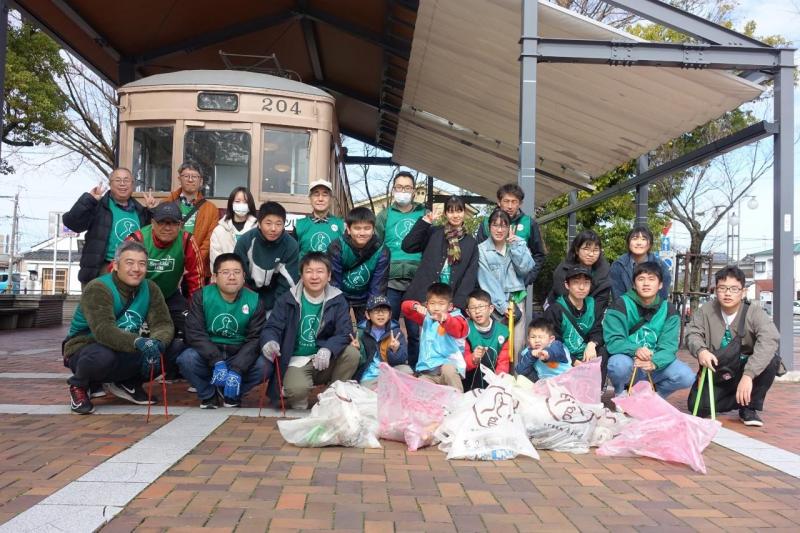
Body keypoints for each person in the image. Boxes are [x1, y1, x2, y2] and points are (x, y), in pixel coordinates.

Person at [63, 241, 173, 414]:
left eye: (142, 263)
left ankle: (128, 382)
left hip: (126, 347)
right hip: (86, 347)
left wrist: (157, 343)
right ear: (115, 265)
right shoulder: (98, 288)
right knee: (102, 355)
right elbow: (103, 330)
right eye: (129, 263)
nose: (136, 268)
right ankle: (80, 386)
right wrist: (139, 342)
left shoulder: (151, 288)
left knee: (172, 349)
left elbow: (163, 323)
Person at [260, 252, 360, 410]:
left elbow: (345, 331)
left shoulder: (338, 299)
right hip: (297, 360)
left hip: (325, 359)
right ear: (301, 275)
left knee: (352, 354)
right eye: (309, 271)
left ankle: (332, 397)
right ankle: (297, 395)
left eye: (320, 271)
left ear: (329, 276)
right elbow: (272, 327)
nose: (314, 276)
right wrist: (270, 341)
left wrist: (328, 348)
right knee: (297, 393)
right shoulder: (287, 299)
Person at [685, 266, 781, 426]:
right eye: (722, 288)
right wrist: (701, 351)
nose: (727, 293)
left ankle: (749, 408)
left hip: (745, 368)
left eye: (734, 289)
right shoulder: (706, 310)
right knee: (697, 407)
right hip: (717, 370)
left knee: (772, 361)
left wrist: (749, 375)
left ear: (743, 292)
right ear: (716, 290)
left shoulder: (754, 312)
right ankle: (739, 397)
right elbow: (692, 334)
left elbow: (769, 339)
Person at [177, 253, 266, 408]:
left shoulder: (254, 300)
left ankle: (231, 394)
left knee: (264, 365)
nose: (232, 277)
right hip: (209, 355)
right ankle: (209, 395)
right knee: (187, 359)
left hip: (238, 354)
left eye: (237, 272)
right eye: (225, 272)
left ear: (244, 277)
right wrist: (216, 360)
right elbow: (195, 333)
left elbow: (255, 339)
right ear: (214, 277)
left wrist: (237, 368)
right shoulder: (202, 296)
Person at [126, 202, 204, 374]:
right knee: (129, 329)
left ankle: (180, 369)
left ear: (180, 225)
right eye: (162, 222)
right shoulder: (137, 240)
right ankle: (127, 375)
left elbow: (195, 279)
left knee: (194, 325)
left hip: (169, 294)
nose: (167, 228)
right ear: (152, 223)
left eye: (173, 223)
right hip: (138, 295)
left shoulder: (187, 241)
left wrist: (196, 309)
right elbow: (119, 275)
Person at [604, 261, 694, 399]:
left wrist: (655, 362)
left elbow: (668, 346)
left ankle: (654, 396)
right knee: (618, 365)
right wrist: (636, 350)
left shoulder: (669, 310)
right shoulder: (621, 305)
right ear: (634, 284)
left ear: (660, 284)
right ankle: (620, 392)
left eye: (652, 279)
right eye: (641, 279)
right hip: (630, 362)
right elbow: (614, 340)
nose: (646, 284)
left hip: (654, 364)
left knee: (686, 376)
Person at [63, 167, 152, 287]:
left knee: (129, 305)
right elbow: (72, 224)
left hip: (132, 269)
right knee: (99, 304)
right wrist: (89, 200)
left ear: (133, 185)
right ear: (110, 184)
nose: (122, 184)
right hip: (101, 268)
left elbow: (153, 237)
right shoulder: (98, 206)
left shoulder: (141, 211)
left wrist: (152, 211)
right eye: (118, 180)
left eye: (126, 180)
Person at [401, 195, 478, 325]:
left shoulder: (471, 242)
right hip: (424, 297)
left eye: (459, 211)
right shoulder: (434, 232)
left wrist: (458, 305)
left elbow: (469, 276)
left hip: (449, 301)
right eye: (451, 211)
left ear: (464, 212)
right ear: (445, 213)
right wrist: (425, 221)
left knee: (445, 338)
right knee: (418, 337)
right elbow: (408, 246)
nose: (455, 215)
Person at [375, 171, 427, 362]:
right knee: (388, 327)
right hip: (390, 280)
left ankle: (414, 369)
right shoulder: (384, 216)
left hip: (416, 282)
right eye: (399, 187)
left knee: (415, 331)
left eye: (407, 188)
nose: (403, 191)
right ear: (393, 190)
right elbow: (376, 245)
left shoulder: (424, 214)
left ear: (413, 191)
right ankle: (387, 366)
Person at [477, 208, 534, 356]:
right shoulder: (481, 250)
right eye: (495, 225)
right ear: (489, 227)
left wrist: (515, 247)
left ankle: (515, 378)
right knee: (497, 348)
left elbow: (526, 269)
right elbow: (486, 281)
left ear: (509, 227)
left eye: (503, 225)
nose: (499, 229)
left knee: (516, 348)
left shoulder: (518, 243)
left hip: (517, 301)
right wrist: (504, 307)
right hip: (495, 305)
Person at [544, 265, 608, 384]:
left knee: (603, 352)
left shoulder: (594, 305)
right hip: (563, 356)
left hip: (586, 354)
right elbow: (552, 341)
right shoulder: (555, 310)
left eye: (586, 283)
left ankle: (596, 391)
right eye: (576, 282)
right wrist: (573, 361)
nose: (582, 287)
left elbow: (598, 329)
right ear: (567, 285)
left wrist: (592, 344)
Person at [401, 282, 468, 391]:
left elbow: (459, 329)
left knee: (448, 370)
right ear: (427, 305)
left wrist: (446, 319)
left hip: (447, 368)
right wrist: (416, 306)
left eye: (441, 304)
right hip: (428, 372)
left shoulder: (457, 317)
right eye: (432, 303)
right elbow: (405, 308)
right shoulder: (426, 317)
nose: (436, 308)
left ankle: (459, 402)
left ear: (450, 306)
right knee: (420, 389)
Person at [234, 201, 299, 312]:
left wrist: (275, 308)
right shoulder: (245, 241)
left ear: (284, 224)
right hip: (246, 298)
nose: (273, 229)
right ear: (259, 223)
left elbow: (288, 283)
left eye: (278, 224)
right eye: (268, 223)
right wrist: (250, 303)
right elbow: (238, 274)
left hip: (276, 301)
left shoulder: (291, 245)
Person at [476, 183, 546, 285]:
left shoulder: (529, 223)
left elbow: (539, 254)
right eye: (506, 201)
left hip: (517, 290)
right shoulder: (486, 223)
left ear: (520, 203)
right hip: (489, 287)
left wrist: (528, 278)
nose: (510, 206)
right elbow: (477, 254)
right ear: (499, 202)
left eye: (514, 202)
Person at [328, 207, 390, 320]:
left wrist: (373, 308)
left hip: (366, 297)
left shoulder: (382, 251)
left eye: (367, 228)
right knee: (339, 328)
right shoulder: (337, 247)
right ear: (348, 229)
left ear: (373, 229)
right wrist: (337, 307)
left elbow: (378, 285)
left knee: (367, 330)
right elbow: (334, 282)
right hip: (341, 294)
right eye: (357, 228)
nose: (362, 233)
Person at [164, 161, 220, 276]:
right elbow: (160, 234)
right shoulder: (166, 203)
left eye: (194, 176)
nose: (190, 179)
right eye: (186, 176)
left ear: (201, 181)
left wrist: (193, 262)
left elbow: (209, 241)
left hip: (197, 268)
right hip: (169, 262)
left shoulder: (211, 209)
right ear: (179, 179)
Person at [352, 294, 411, 389]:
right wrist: (357, 350)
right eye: (376, 311)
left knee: (407, 370)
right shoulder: (361, 332)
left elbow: (401, 360)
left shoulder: (396, 332)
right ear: (368, 315)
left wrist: (395, 350)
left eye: (384, 311)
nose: (381, 314)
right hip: (369, 375)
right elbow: (360, 363)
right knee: (367, 393)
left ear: (390, 315)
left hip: (389, 371)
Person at [548, 229, 611, 314]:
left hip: (593, 314)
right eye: (586, 249)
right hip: (562, 311)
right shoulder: (563, 269)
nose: (591, 254)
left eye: (595, 250)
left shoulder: (604, 269)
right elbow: (563, 297)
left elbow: (602, 300)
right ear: (577, 250)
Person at [463, 289, 510, 390]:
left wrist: (497, 383)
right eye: (473, 308)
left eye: (481, 306)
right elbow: (462, 363)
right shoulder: (465, 329)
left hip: (493, 379)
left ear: (491, 309)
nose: (477, 311)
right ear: (468, 312)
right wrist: (474, 358)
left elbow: (503, 362)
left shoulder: (502, 331)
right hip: (470, 379)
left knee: (490, 353)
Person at [610, 225, 672, 301]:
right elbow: (618, 298)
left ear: (650, 244)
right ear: (628, 243)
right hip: (626, 310)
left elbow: (662, 297)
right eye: (635, 239)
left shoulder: (661, 266)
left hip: (653, 311)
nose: (639, 243)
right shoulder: (618, 265)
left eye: (643, 239)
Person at [292, 179, 345, 261]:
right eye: (316, 194)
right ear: (310, 198)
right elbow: (292, 256)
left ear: (331, 199)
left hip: (333, 273)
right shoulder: (299, 225)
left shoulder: (342, 225)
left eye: (325, 195)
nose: (320, 199)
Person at [210, 187, 258, 267]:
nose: (241, 204)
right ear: (231, 204)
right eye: (237, 201)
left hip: (250, 278)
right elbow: (215, 260)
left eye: (245, 202)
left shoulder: (257, 229)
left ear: (250, 204)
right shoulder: (219, 230)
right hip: (225, 277)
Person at [515, 317, 570, 382]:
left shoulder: (556, 345)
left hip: (566, 379)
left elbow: (558, 353)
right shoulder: (529, 352)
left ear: (551, 339)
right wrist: (531, 356)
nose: (537, 340)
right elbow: (520, 371)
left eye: (541, 337)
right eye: (533, 337)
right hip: (545, 383)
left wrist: (548, 354)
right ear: (528, 339)